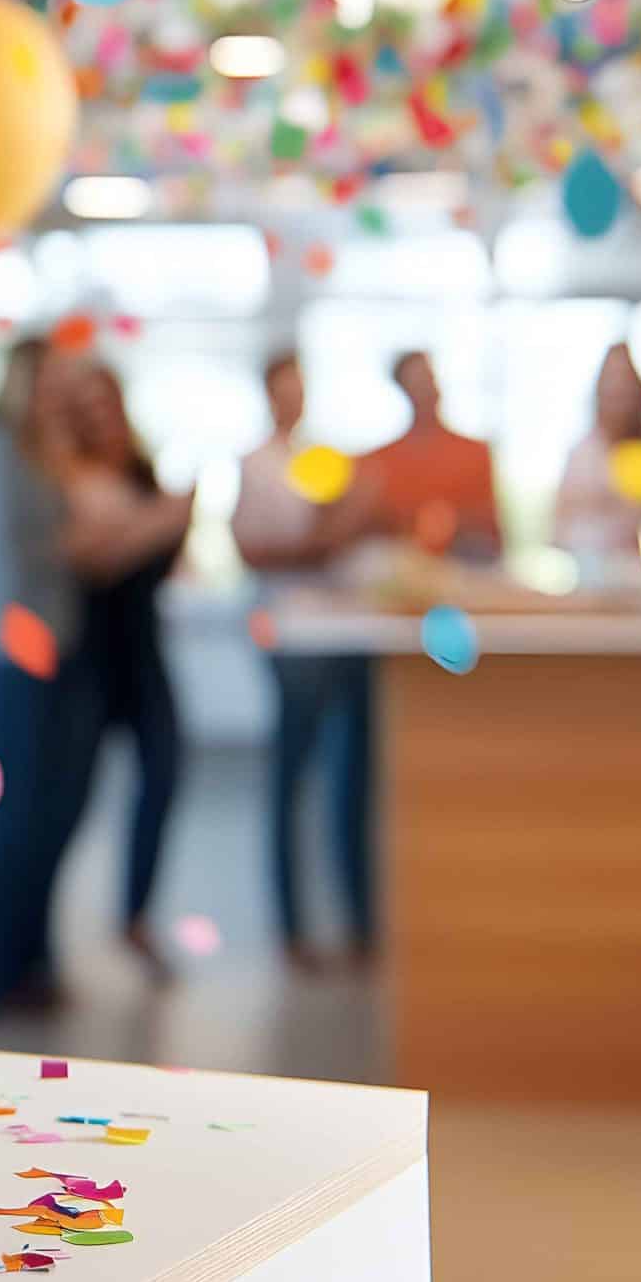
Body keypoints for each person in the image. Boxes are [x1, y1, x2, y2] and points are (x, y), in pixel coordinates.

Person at [234, 351, 377, 970]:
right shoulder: (254, 466)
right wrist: (322, 541)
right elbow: (252, 550)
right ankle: (293, 930)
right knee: (291, 783)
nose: (294, 398)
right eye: (284, 388)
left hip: (342, 629)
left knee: (351, 784)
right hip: (291, 636)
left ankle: (360, 924)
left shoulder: (323, 461)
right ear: (268, 394)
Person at [0, 341, 85, 1015]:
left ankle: (33, 959)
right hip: (8, 651)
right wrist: (87, 539)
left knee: (43, 816)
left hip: (54, 646)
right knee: (11, 818)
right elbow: (3, 544)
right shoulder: (2, 450)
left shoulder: (49, 448)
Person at [63, 363, 190, 981]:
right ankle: (42, 931)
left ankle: (135, 917)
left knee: (164, 775)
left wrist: (167, 527)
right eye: (87, 406)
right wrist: (154, 524)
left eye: (107, 402)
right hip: (90, 650)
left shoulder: (138, 472)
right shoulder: (64, 474)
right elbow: (88, 561)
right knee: (70, 797)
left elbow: (155, 560)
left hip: (144, 644)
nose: (100, 417)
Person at [353, 351, 500, 558]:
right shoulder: (377, 462)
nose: (426, 389)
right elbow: (363, 528)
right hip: (399, 567)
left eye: (429, 378)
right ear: (404, 389)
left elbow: (493, 531)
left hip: (465, 565)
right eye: (416, 382)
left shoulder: (474, 452)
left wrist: (453, 522)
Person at [553, 342, 641, 556]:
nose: (619, 391)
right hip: (589, 573)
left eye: (625, 383)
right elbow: (557, 530)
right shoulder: (581, 455)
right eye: (612, 382)